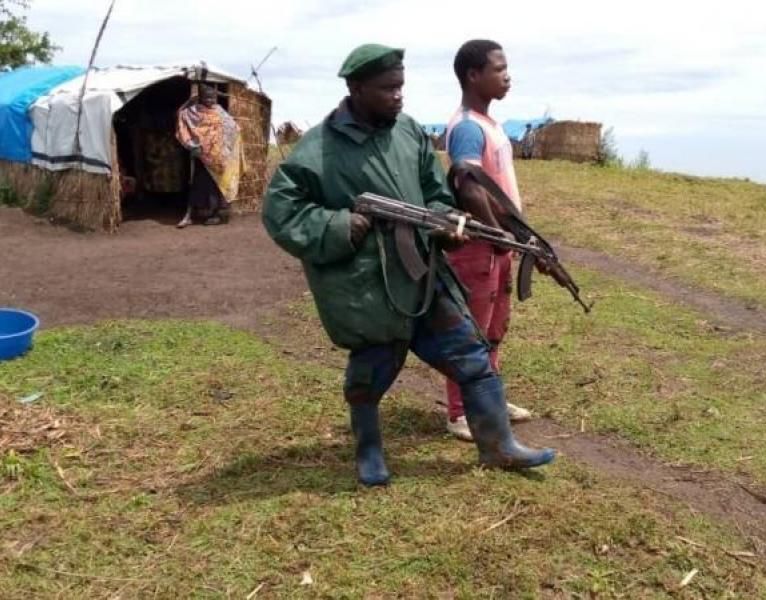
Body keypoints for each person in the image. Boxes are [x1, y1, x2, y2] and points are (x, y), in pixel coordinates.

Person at [264, 43, 555, 487]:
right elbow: (282, 211)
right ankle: (369, 452)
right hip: (369, 285)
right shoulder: (317, 149)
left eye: (401, 86)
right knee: (371, 373)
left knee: (471, 354)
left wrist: (445, 221)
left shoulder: (410, 133)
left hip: (423, 273)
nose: (398, 96)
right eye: (387, 88)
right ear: (356, 88)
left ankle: (498, 446)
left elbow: (434, 190)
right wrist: (341, 225)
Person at [442, 39, 533, 441]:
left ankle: (489, 398)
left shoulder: (489, 124)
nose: (507, 75)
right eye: (499, 68)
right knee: (470, 330)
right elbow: (468, 185)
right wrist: (497, 230)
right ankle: (459, 411)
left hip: (499, 242)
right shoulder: (465, 127)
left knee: (495, 327)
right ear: (473, 75)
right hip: (480, 244)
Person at [175, 84, 243, 227]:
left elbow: (234, 127)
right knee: (202, 184)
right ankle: (201, 213)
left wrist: (226, 146)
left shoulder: (219, 111)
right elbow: (180, 115)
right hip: (203, 156)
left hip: (219, 156)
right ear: (200, 97)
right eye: (207, 97)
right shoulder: (192, 111)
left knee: (218, 185)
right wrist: (193, 145)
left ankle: (217, 214)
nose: (210, 100)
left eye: (212, 97)